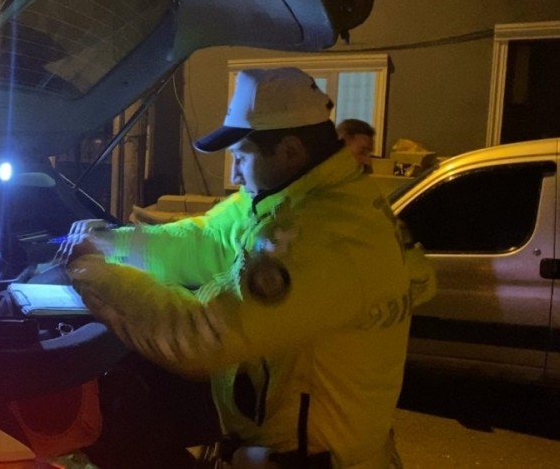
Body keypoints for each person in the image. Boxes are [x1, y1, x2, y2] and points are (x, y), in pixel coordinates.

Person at [64, 67, 435, 468]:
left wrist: (91, 274)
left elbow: (202, 336)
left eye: (241, 157)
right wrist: (110, 242)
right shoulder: (287, 197)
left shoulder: (326, 232)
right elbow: (204, 240)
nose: (235, 173)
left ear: (290, 151)